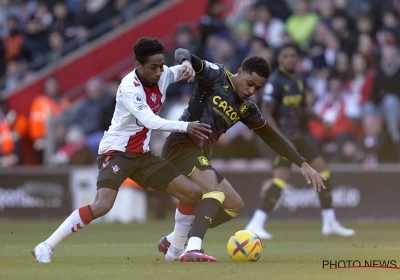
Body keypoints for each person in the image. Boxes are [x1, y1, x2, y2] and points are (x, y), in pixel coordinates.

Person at [32, 37, 215, 263]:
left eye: (161, 66)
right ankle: (46, 245)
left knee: (192, 193)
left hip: (142, 155)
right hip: (116, 152)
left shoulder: (164, 73)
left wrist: (187, 62)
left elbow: (182, 53)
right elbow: (151, 120)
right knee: (102, 205)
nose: (159, 72)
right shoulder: (130, 87)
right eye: (153, 67)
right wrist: (186, 126)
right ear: (138, 66)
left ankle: (175, 251)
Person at [157, 47, 326, 262]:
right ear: (239, 71)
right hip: (181, 144)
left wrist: (302, 163)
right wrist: (186, 63)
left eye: (257, 87)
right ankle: (193, 248)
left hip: (200, 154)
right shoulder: (216, 75)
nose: (251, 90)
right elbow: (183, 51)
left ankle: (174, 239)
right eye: (249, 83)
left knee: (234, 204)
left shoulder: (246, 108)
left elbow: (271, 136)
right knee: (214, 193)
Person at [245, 43, 355, 239]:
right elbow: (266, 113)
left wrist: (322, 120)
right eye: (285, 56)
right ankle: (255, 223)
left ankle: (329, 222)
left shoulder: (299, 79)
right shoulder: (275, 82)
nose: (289, 59)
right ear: (280, 59)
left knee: (322, 170)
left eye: (292, 56)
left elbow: (304, 107)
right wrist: (280, 139)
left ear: (297, 59)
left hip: (295, 134)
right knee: (281, 177)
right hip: (276, 136)